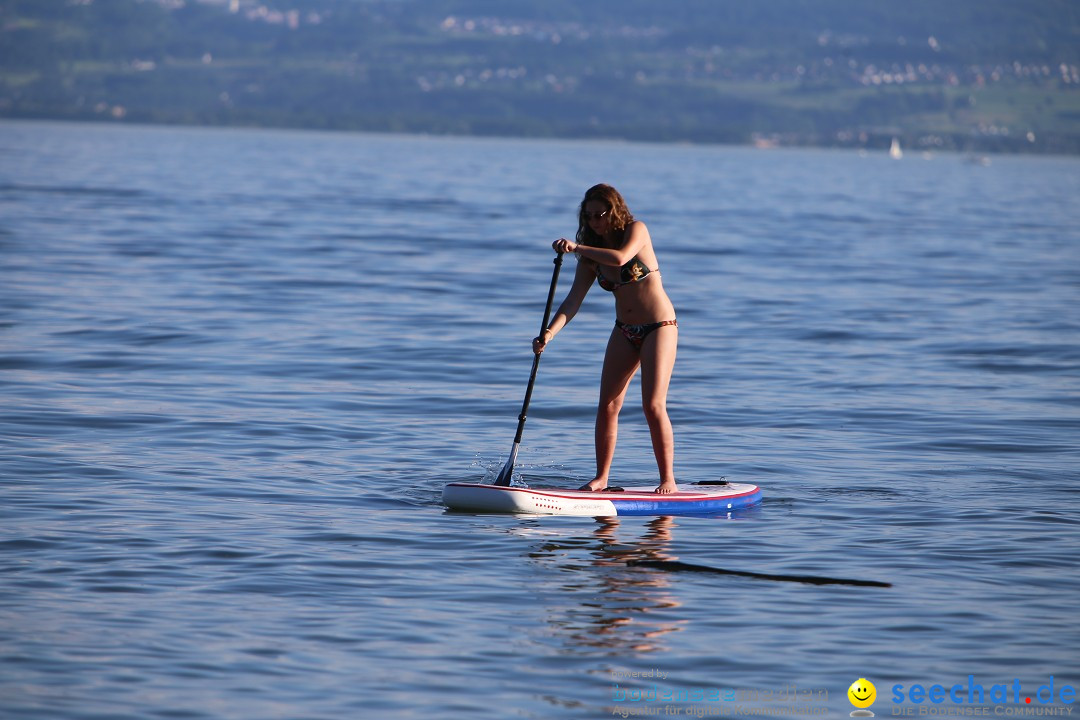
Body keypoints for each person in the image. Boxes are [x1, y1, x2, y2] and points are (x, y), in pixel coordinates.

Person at [532, 184, 679, 494]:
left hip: (659, 326)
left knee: (652, 405)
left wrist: (577, 247)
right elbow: (573, 301)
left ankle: (668, 479)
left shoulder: (636, 230)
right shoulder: (589, 256)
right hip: (624, 330)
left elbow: (621, 257)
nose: (595, 222)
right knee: (608, 405)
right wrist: (548, 333)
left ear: (615, 211)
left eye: (599, 215)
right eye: (588, 217)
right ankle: (602, 477)